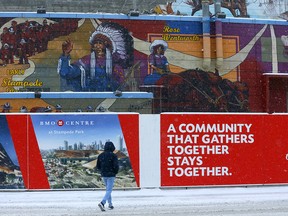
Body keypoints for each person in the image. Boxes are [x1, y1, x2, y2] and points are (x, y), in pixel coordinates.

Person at [57, 21, 133, 92]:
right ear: (92, 46)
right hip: (89, 99)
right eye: (95, 43)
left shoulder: (114, 64)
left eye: (100, 43)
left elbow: (120, 85)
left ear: (106, 46)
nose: (97, 46)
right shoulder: (86, 61)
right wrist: (65, 54)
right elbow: (65, 73)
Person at [96, 141, 119, 211]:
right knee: (109, 190)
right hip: (111, 175)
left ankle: (110, 204)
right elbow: (116, 166)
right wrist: (115, 172)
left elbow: (98, 166)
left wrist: (102, 171)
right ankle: (102, 203)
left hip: (104, 175)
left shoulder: (101, 155)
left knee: (108, 190)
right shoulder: (113, 155)